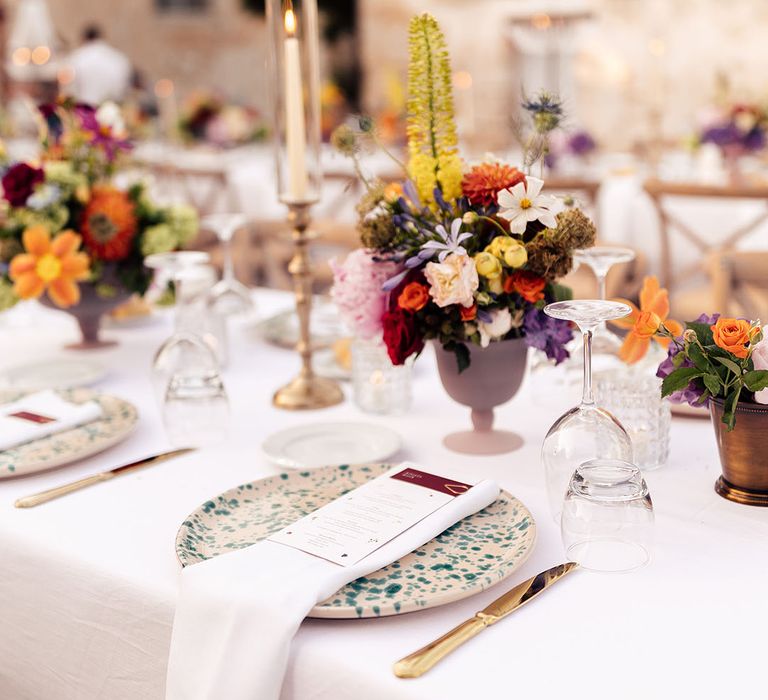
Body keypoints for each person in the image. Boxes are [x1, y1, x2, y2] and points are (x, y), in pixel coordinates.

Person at [66, 24, 132, 106]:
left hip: (88, 110)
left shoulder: (77, 58)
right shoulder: (118, 58)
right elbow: (126, 86)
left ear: (83, 39)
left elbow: (72, 89)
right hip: (116, 107)